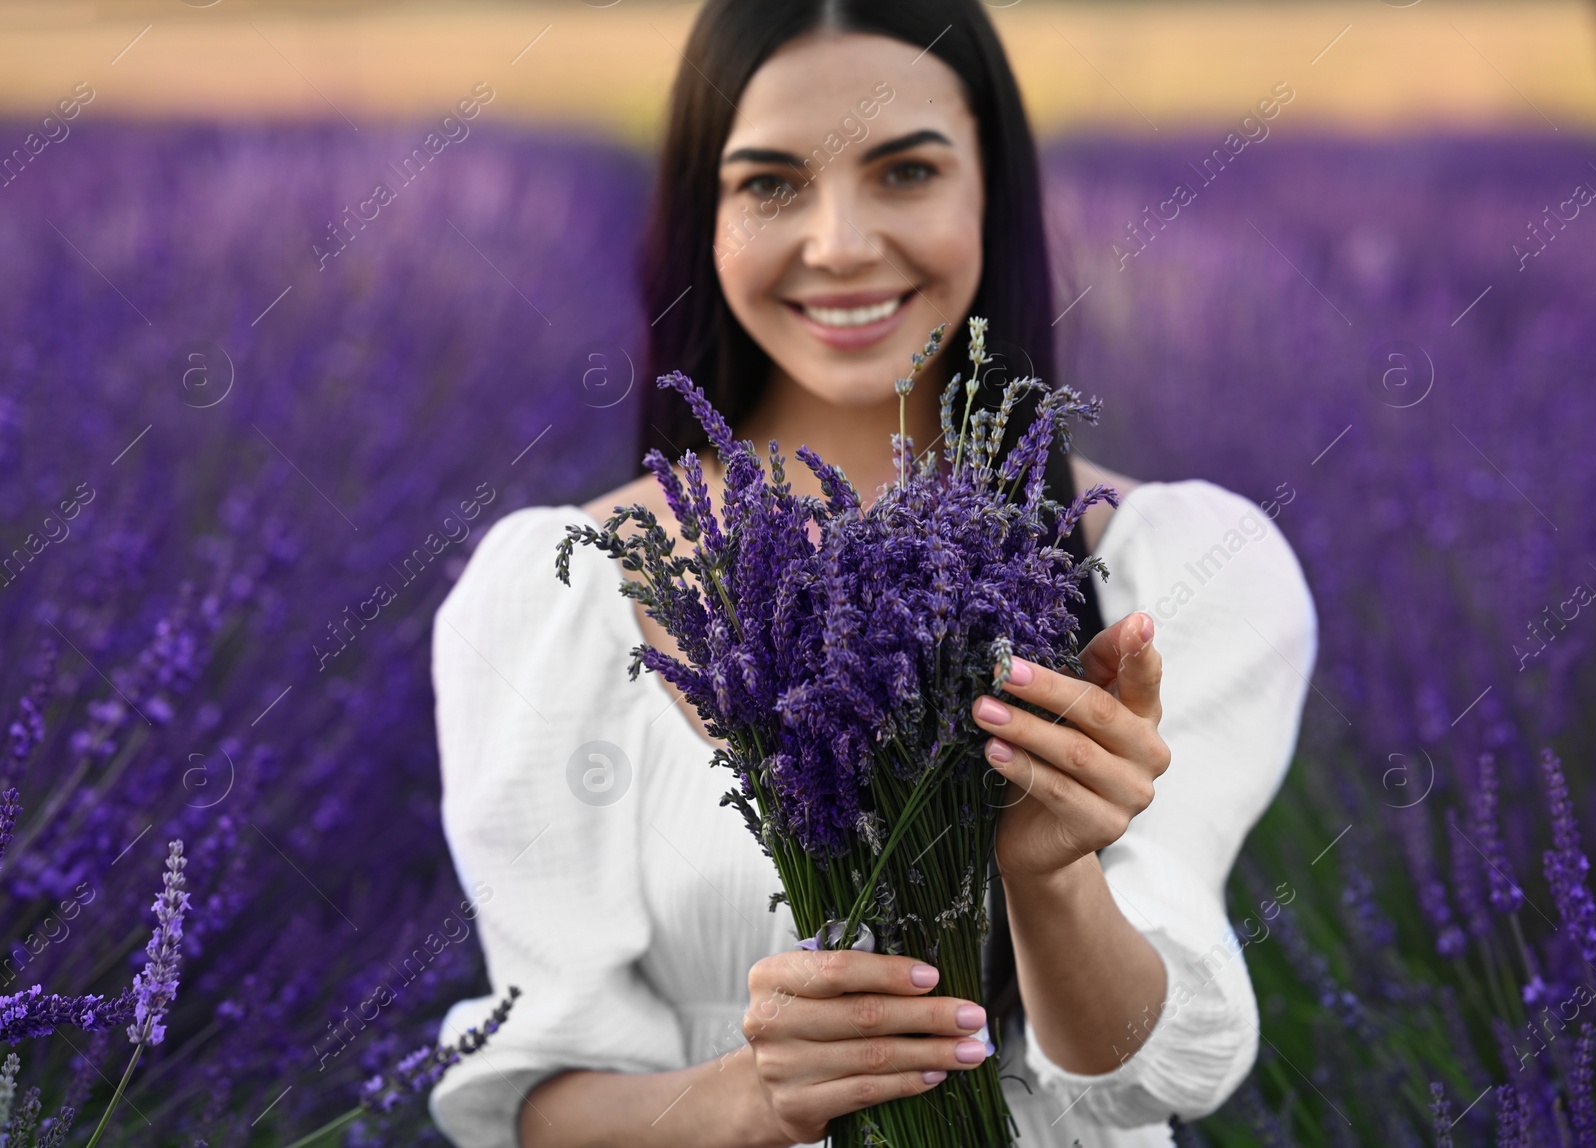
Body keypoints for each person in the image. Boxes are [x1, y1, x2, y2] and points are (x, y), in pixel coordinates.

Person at [427, 1, 1317, 1145]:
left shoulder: (1183, 566)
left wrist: (1050, 876)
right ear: (706, 214)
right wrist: (752, 1095)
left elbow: (1149, 1073)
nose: (840, 241)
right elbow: (537, 1094)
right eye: (771, 183)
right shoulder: (554, 594)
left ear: (990, 192)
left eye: (904, 171)